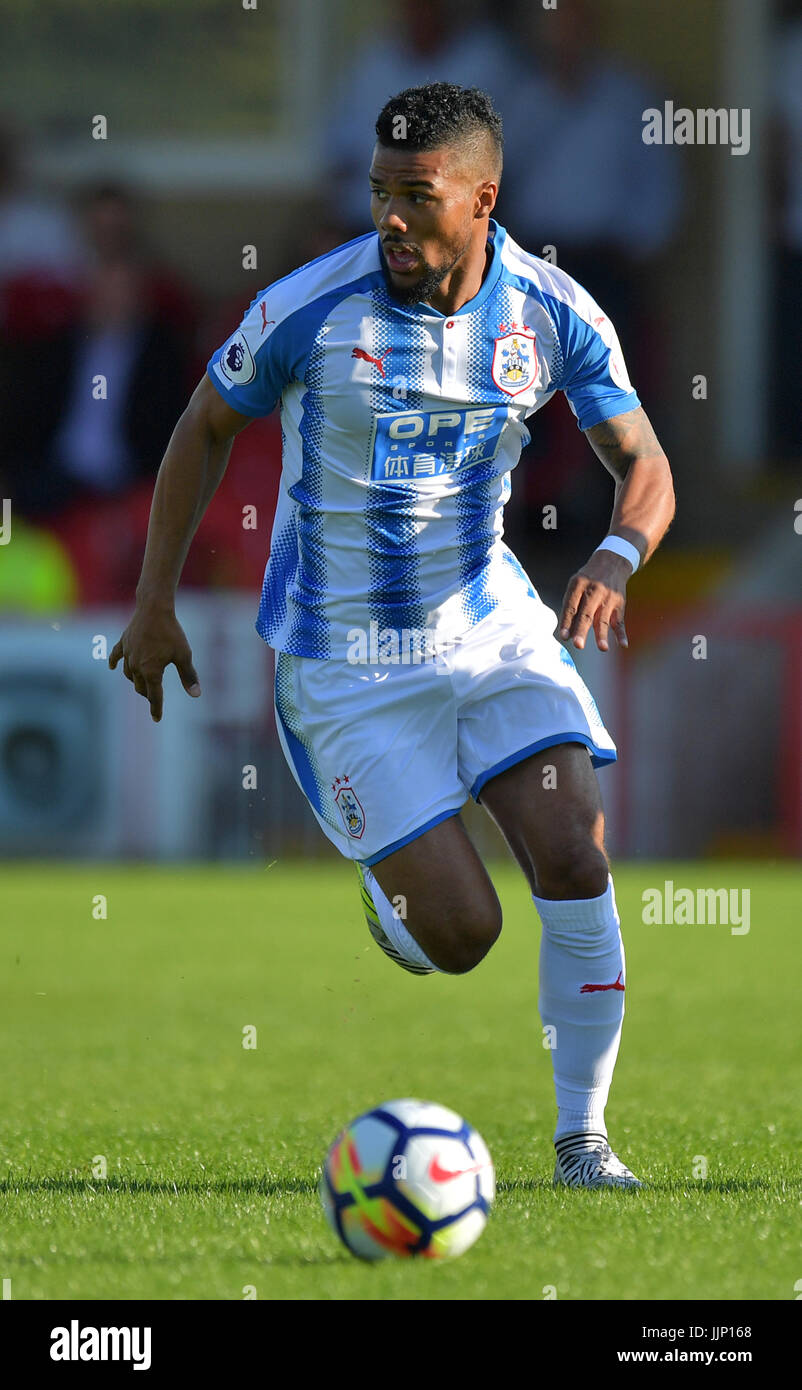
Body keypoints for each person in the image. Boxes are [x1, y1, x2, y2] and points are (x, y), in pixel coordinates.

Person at [110, 85, 675, 1189]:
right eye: (379, 193)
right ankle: (400, 897)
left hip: (490, 626)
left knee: (573, 849)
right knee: (463, 936)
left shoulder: (552, 314)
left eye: (416, 196)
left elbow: (642, 461)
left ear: (482, 197)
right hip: (345, 666)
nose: (391, 219)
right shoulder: (310, 310)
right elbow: (203, 424)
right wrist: (152, 600)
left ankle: (582, 1141)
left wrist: (616, 553)